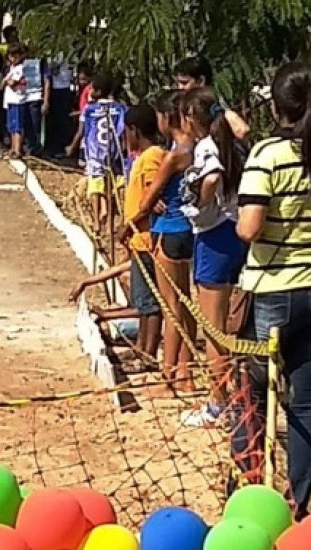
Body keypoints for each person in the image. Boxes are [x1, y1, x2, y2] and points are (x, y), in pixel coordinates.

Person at [234, 61, 311, 518]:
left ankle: (246, 487)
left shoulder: (268, 154)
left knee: (254, 390)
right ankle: (305, 500)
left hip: (274, 289)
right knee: (305, 399)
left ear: (275, 106)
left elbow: (249, 227)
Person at [176, 87, 249, 427]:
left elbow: (213, 176)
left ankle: (218, 403)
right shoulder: (232, 140)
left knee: (213, 328)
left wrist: (203, 202)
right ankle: (233, 395)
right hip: (233, 232)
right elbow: (244, 130)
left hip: (214, 236)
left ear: (191, 119)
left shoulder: (207, 145)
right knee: (231, 324)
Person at [140, 90, 197, 394]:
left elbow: (150, 198)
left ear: (165, 119)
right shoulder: (197, 148)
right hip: (189, 230)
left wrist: (131, 223)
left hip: (169, 230)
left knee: (171, 308)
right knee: (187, 307)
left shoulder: (174, 155)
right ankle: (185, 373)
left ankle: (169, 376)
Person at [116, 103, 164, 370]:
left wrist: (128, 224)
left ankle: (148, 354)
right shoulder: (142, 158)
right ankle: (140, 349)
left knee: (149, 302)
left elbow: (151, 200)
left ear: (134, 130)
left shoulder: (151, 158)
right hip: (138, 239)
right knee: (142, 300)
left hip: (146, 237)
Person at [81, 73, 126, 235]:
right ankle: (108, 222)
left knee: (95, 187)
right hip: (113, 153)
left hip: (95, 153)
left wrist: (78, 149)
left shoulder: (89, 110)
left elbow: (84, 131)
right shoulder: (120, 108)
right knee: (109, 187)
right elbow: (122, 130)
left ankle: (96, 221)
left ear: (98, 91)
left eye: (92, 88)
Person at [172, 56, 250, 141]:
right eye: (177, 83)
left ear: (201, 81)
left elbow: (243, 130)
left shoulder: (217, 106)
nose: (180, 88)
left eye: (184, 83)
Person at [18, 47, 50, 157]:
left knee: (35, 125)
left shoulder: (41, 62)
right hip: (21, 97)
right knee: (23, 124)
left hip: (36, 97)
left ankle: (35, 149)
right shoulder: (20, 62)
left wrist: (46, 101)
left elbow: (46, 81)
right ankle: (25, 147)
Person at [3, 45, 25, 159]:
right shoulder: (11, 68)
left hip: (17, 100)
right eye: (11, 55)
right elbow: (2, 83)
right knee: (11, 125)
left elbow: (11, 83)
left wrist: (6, 81)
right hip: (10, 100)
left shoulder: (20, 68)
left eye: (16, 55)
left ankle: (17, 149)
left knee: (17, 126)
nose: (13, 58)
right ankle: (12, 148)